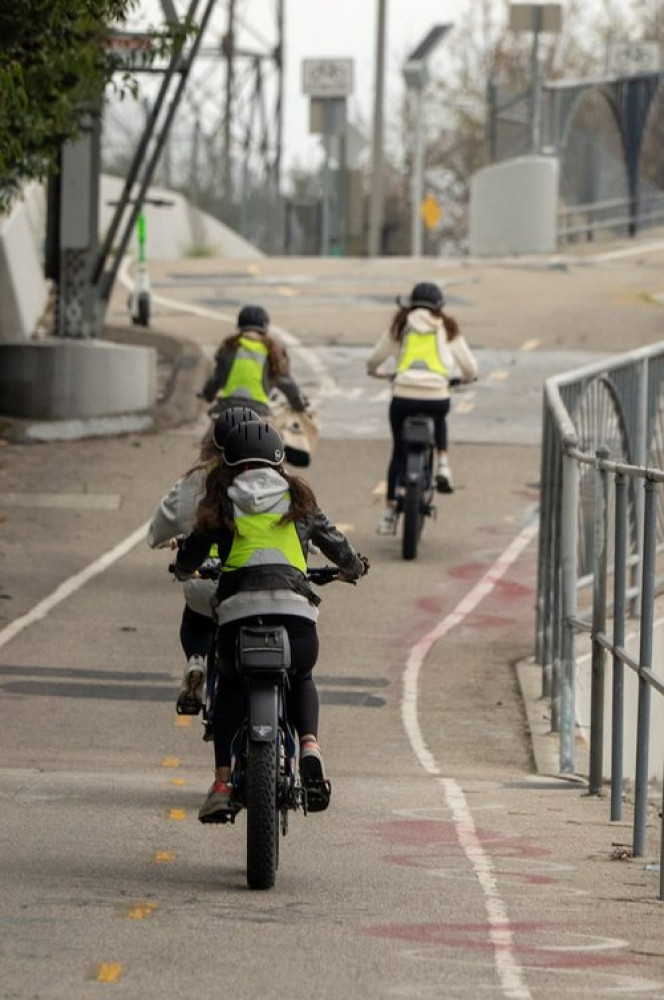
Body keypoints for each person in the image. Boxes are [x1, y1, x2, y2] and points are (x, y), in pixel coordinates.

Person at [172, 420, 370, 821]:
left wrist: (182, 567)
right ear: (279, 458)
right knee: (301, 676)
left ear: (230, 461)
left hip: (236, 616)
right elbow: (338, 546)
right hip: (294, 617)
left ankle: (223, 783)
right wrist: (353, 568)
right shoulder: (298, 497)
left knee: (228, 684)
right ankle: (311, 745)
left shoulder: (221, 499)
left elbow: (191, 555)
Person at [148, 405, 260, 714]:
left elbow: (157, 530)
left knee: (197, 616)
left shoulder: (191, 482)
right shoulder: (267, 482)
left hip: (202, 579)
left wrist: (164, 541)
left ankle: (196, 657)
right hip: (252, 582)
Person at [366, 281, 478, 534]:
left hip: (403, 394)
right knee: (439, 418)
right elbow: (470, 367)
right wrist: (464, 379)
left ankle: (388, 512)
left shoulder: (401, 325)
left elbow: (374, 359)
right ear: (440, 305)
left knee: (398, 450)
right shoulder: (447, 326)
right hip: (437, 394)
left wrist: (377, 372)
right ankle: (444, 465)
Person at [200, 304, 308, 419]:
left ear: (239, 325)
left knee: (211, 436)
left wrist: (208, 394)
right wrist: (298, 404)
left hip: (227, 411)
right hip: (259, 413)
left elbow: (217, 379)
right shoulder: (272, 351)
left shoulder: (229, 347)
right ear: (265, 327)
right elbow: (286, 383)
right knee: (277, 436)